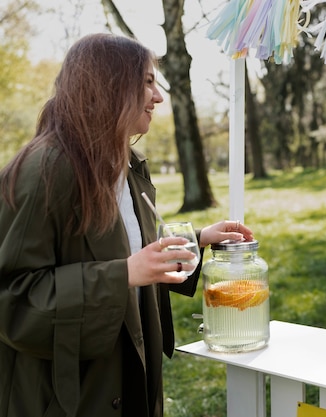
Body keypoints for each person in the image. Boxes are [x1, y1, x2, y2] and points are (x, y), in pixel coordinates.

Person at [0, 33, 253, 417]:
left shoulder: (126, 166)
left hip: (128, 379)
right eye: (148, 82)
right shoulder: (44, 172)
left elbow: (119, 247)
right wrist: (123, 276)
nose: (159, 96)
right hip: (65, 397)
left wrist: (195, 239)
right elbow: (11, 298)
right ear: (109, 85)